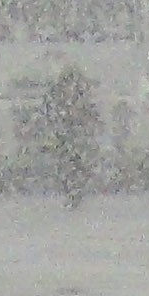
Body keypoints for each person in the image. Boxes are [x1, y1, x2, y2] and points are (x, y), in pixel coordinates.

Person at [37, 62, 101, 208]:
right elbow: (49, 114)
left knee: (77, 163)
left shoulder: (82, 95)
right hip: (63, 136)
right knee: (67, 163)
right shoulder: (55, 96)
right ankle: (71, 190)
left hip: (75, 137)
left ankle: (75, 189)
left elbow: (91, 115)